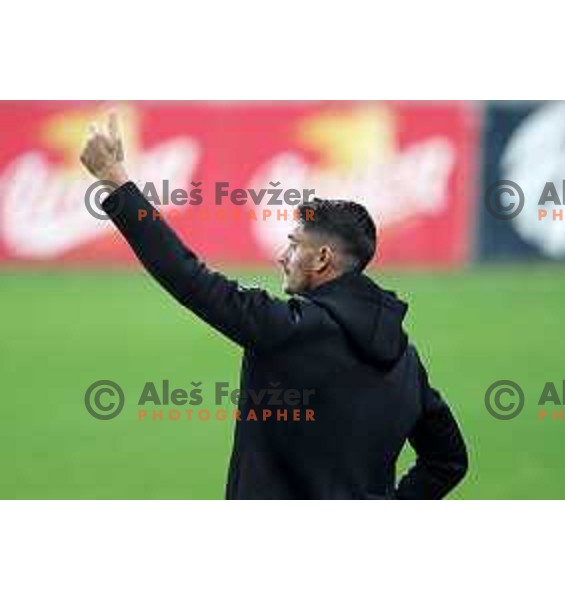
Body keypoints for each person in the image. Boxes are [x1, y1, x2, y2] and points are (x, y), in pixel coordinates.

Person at [80, 114, 468, 499]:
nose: (283, 256)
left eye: (294, 244)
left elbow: (187, 276)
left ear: (322, 259)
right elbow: (448, 461)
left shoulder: (287, 329)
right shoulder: (406, 361)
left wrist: (116, 181)